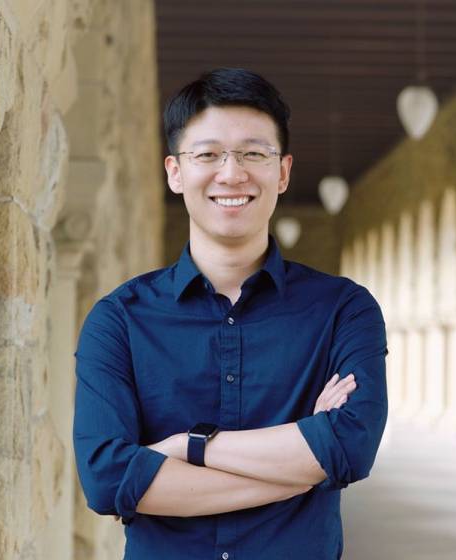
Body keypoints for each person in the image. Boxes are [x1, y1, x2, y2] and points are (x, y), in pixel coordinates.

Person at [73, 67, 388, 560]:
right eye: (208, 154)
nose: (231, 172)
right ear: (176, 172)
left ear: (282, 172)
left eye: (253, 153)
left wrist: (185, 448)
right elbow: (108, 480)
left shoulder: (343, 309)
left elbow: (350, 447)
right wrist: (301, 466)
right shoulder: (119, 320)